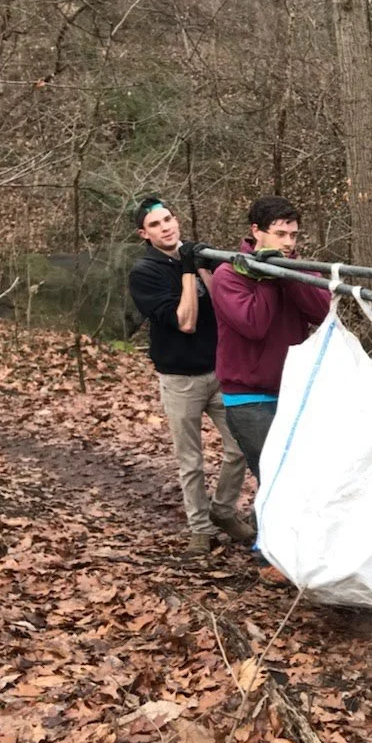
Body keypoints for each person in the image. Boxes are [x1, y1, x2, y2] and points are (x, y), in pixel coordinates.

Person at [128, 196, 254, 555]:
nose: (165, 227)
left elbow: (223, 305)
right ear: (144, 233)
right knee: (191, 460)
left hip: (219, 371)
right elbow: (186, 321)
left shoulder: (197, 256)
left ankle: (223, 511)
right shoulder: (145, 272)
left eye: (168, 219)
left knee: (240, 446)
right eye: (155, 224)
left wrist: (201, 265)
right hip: (180, 379)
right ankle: (200, 528)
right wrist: (185, 269)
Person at [208, 196, 330, 482]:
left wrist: (287, 274)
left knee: (300, 481)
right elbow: (254, 325)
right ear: (256, 231)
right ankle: (264, 527)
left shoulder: (297, 267)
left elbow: (323, 311)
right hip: (249, 398)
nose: (288, 242)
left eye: (293, 235)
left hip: (293, 392)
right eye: (280, 234)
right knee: (277, 482)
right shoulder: (228, 274)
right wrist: (267, 278)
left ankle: (266, 526)